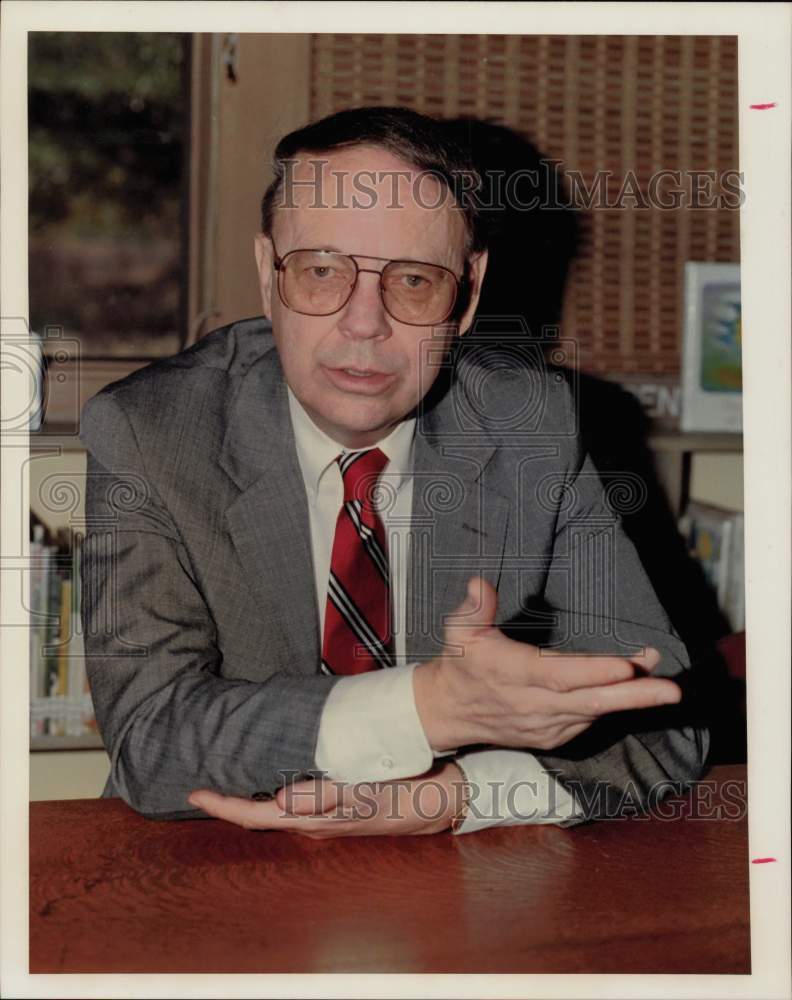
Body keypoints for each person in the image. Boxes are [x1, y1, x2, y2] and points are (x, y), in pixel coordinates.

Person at [79, 106, 708, 837]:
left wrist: (455, 796)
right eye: (320, 271)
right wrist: (430, 707)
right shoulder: (152, 432)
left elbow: (667, 715)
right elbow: (150, 743)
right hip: (211, 861)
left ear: (467, 295)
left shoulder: (531, 427)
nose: (364, 323)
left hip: (442, 883)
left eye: (412, 280)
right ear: (265, 271)